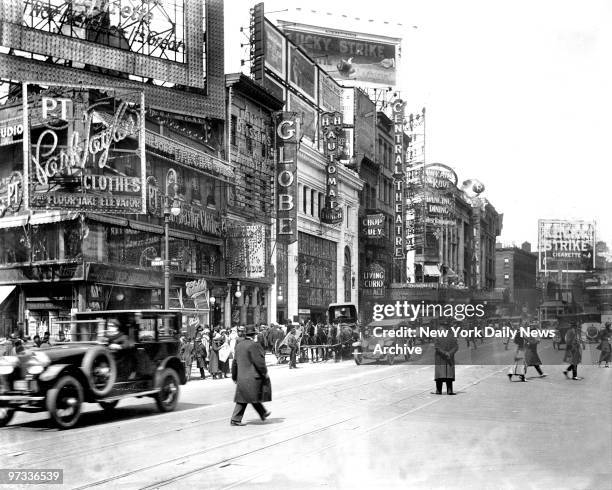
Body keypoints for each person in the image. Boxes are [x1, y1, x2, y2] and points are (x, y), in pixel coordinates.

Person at [230, 325, 271, 426]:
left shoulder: (239, 345)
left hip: (242, 377)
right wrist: (264, 372)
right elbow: (259, 362)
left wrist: (234, 376)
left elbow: (234, 363)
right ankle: (235, 419)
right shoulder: (254, 345)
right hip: (252, 377)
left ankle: (262, 413)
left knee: (248, 397)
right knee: (251, 396)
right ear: (254, 335)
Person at [432, 323, 458, 395]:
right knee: (449, 375)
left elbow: (437, 347)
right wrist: (449, 353)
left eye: (440, 328)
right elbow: (456, 347)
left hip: (440, 358)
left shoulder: (437, 337)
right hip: (449, 358)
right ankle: (449, 390)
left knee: (440, 375)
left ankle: (438, 390)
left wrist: (444, 353)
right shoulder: (452, 336)